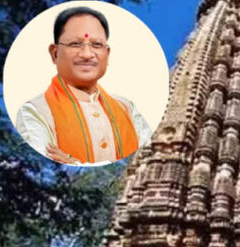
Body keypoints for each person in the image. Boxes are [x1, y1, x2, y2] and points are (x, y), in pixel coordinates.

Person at [15, 6, 151, 165]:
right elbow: (44, 163)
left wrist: (72, 161)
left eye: (96, 44)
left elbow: (150, 148)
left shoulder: (126, 108)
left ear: (107, 54)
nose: (87, 54)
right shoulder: (35, 112)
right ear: (55, 53)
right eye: (75, 44)